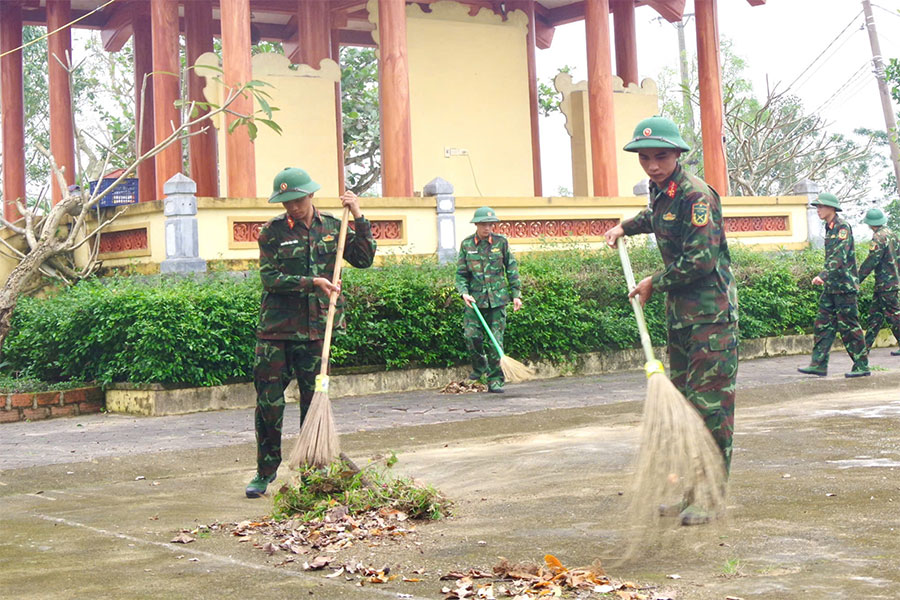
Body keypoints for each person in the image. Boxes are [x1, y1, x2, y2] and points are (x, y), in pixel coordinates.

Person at [604, 116, 738, 526]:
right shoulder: (662, 192)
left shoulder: (697, 196)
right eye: (645, 158)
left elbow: (702, 259)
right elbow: (654, 218)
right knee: (686, 408)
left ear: (678, 154)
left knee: (711, 406)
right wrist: (624, 226)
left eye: (660, 157)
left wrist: (653, 281)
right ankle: (692, 491)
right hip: (681, 318)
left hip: (710, 318)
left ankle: (710, 497)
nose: (652, 166)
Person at [246, 168, 376, 498]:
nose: (292, 207)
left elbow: (363, 258)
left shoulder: (335, 226)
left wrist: (359, 215)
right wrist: (311, 282)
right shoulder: (271, 232)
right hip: (276, 333)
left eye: (298, 200)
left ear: (311, 196)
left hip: (318, 332)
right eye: (286, 201)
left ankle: (312, 469)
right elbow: (270, 279)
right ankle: (265, 472)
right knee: (269, 406)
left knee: (314, 400)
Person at [798, 193, 870, 378]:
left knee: (849, 327)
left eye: (821, 207)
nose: (818, 210)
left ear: (831, 208)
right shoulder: (828, 227)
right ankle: (818, 364)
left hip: (845, 287)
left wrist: (823, 275)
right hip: (831, 288)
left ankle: (862, 365)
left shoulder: (842, 227)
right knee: (822, 325)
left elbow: (839, 255)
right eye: (817, 207)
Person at [455, 206, 523, 394]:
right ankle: (480, 368)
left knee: (496, 343)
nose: (488, 228)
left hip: (498, 300)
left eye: (490, 224)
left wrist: (516, 294)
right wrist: (463, 292)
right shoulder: (467, 245)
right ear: (476, 224)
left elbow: (511, 268)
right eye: (484, 224)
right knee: (471, 336)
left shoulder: (501, 243)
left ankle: (496, 380)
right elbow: (461, 274)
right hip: (475, 301)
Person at [858, 207, 900, 356]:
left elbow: (871, 261)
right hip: (890, 283)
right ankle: (864, 348)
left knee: (893, 316)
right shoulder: (892, 234)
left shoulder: (878, 238)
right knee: (875, 316)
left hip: (885, 285)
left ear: (870, 223)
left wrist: (857, 279)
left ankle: (864, 349)